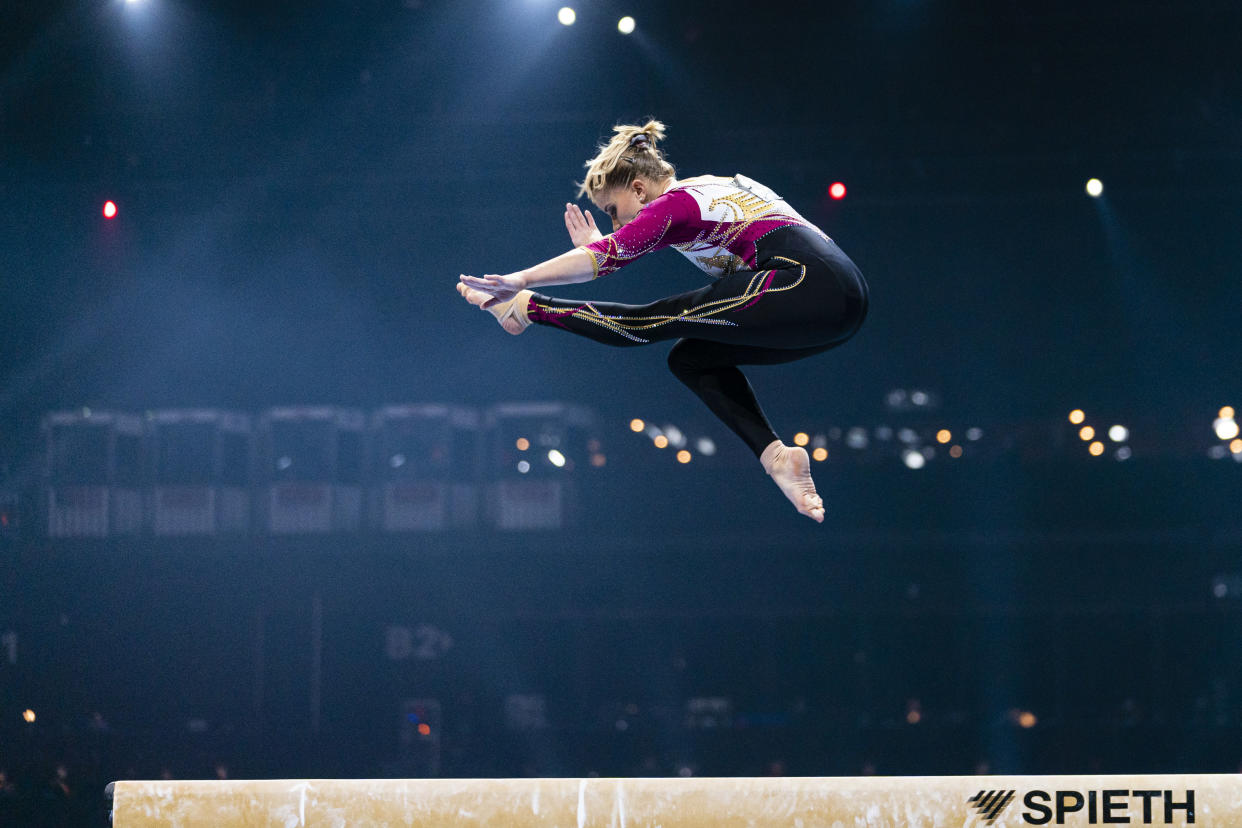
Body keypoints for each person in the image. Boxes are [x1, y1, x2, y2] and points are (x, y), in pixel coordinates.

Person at [457, 120, 869, 522]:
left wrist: (520, 280)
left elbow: (606, 259)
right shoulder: (702, 191)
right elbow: (618, 251)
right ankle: (776, 456)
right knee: (690, 357)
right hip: (842, 306)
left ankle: (526, 308)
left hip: (809, 285)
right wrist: (604, 247)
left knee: (650, 321)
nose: (616, 225)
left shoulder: (676, 204)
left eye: (614, 212)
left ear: (638, 188)